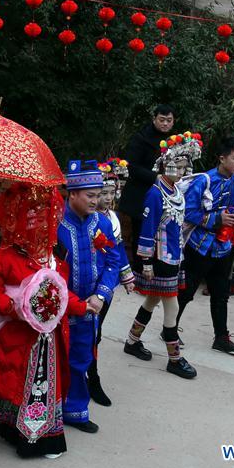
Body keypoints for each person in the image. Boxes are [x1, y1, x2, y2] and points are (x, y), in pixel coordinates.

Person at [0, 183, 91, 459]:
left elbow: (62, 295)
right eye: (33, 216)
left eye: (47, 216)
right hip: (13, 333)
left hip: (47, 339)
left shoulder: (54, 260)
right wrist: (14, 307)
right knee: (1, 379)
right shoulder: (6, 256)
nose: (41, 222)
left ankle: (39, 437)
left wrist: (82, 306)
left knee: (38, 385)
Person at [123, 132, 203, 380]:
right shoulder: (156, 193)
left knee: (153, 300)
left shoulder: (175, 191)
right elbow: (147, 229)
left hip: (173, 256)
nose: (179, 172)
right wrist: (145, 261)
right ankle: (174, 358)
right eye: (175, 167)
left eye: (182, 167)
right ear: (163, 166)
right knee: (172, 305)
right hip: (160, 258)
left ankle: (132, 340)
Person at [57, 160, 119, 433]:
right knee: (54, 358)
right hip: (58, 306)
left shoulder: (102, 223)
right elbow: (47, 268)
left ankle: (76, 411)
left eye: (98, 195)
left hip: (91, 306)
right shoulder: (55, 224)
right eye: (90, 196)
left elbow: (113, 261)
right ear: (72, 194)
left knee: (82, 358)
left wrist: (101, 296)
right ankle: (49, 409)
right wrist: (69, 300)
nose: (97, 201)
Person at [176, 136, 234, 354]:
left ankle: (221, 337)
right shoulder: (204, 180)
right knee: (187, 291)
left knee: (221, 293)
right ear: (222, 158)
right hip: (199, 245)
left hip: (222, 246)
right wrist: (218, 219)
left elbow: (233, 207)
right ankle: (169, 329)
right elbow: (189, 212)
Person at [86, 157, 134, 405]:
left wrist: (126, 276)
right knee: (86, 331)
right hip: (87, 280)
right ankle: (88, 376)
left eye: (111, 192)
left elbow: (118, 251)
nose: (105, 198)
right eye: (101, 192)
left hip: (106, 284)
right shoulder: (88, 218)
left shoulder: (112, 219)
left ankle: (90, 376)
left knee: (96, 331)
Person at [119, 104, 175, 256]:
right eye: (162, 120)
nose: (165, 124)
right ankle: (139, 270)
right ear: (154, 119)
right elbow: (131, 166)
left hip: (164, 196)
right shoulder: (141, 138)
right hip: (141, 195)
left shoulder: (174, 140)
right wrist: (155, 177)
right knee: (141, 234)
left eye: (169, 120)